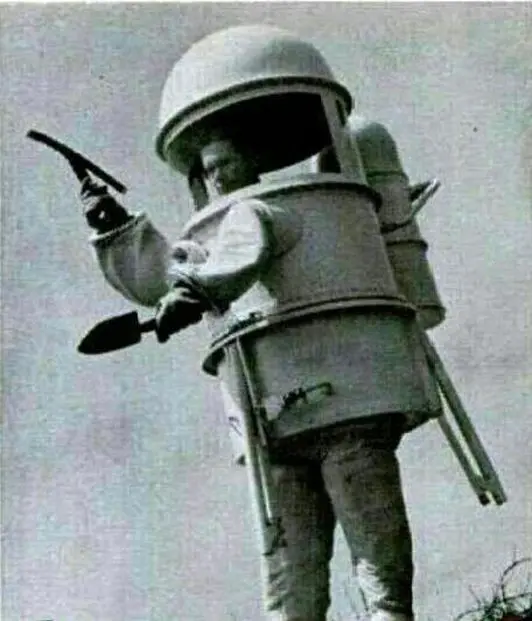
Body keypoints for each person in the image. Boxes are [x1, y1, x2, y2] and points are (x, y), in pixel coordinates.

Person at [81, 131, 416, 621]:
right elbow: (168, 277)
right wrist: (111, 221)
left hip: (339, 404)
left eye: (224, 162)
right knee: (288, 569)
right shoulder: (212, 244)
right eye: (206, 168)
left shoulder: (261, 211)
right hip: (269, 419)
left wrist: (191, 295)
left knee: (375, 546)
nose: (215, 175)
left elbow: (240, 249)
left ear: (251, 160)